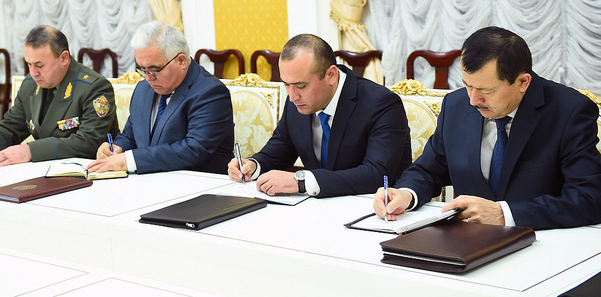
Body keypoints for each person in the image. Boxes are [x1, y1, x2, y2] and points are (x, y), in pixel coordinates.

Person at [373, 26, 601, 230]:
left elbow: (589, 198)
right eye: (467, 85)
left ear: (523, 82)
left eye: (486, 91)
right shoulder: (456, 105)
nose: (473, 100)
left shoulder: (569, 112)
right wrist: (406, 193)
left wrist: (505, 214)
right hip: (466, 242)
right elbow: (428, 170)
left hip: (542, 243)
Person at [227, 33, 412, 198]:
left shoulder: (381, 104)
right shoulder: (297, 100)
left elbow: (376, 174)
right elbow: (280, 149)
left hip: (374, 210)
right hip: (315, 210)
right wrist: (253, 165)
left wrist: (302, 182)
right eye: (286, 84)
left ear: (331, 75)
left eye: (301, 86)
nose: (292, 96)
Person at [86, 21, 234, 174]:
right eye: (142, 70)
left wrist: (129, 160)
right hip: (148, 181)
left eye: (154, 70)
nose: (148, 78)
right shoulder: (143, 89)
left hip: (199, 183)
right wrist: (116, 149)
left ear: (181, 61)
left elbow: (194, 149)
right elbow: (130, 136)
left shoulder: (210, 92)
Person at [0, 25, 119, 165]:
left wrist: (31, 151)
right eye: (29, 64)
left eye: (39, 65)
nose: (33, 73)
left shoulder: (94, 88)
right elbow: (12, 126)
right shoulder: (30, 84)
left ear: (64, 58)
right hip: (44, 170)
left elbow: (89, 142)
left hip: (86, 172)